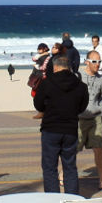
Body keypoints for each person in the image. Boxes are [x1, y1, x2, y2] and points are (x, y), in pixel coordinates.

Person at [33, 55, 89, 194]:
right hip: (70, 129)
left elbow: (38, 104)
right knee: (69, 166)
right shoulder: (80, 85)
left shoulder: (46, 83)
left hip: (51, 128)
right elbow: (82, 107)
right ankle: (71, 198)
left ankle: (53, 198)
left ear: (55, 67)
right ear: (69, 67)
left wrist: (47, 107)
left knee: (50, 167)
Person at [78, 50, 102, 191]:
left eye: (99, 61)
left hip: (96, 118)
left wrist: (101, 112)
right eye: (94, 61)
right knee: (74, 147)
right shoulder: (78, 76)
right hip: (79, 118)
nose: (97, 64)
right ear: (86, 61)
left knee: (99, 148)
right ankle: (63, 174)